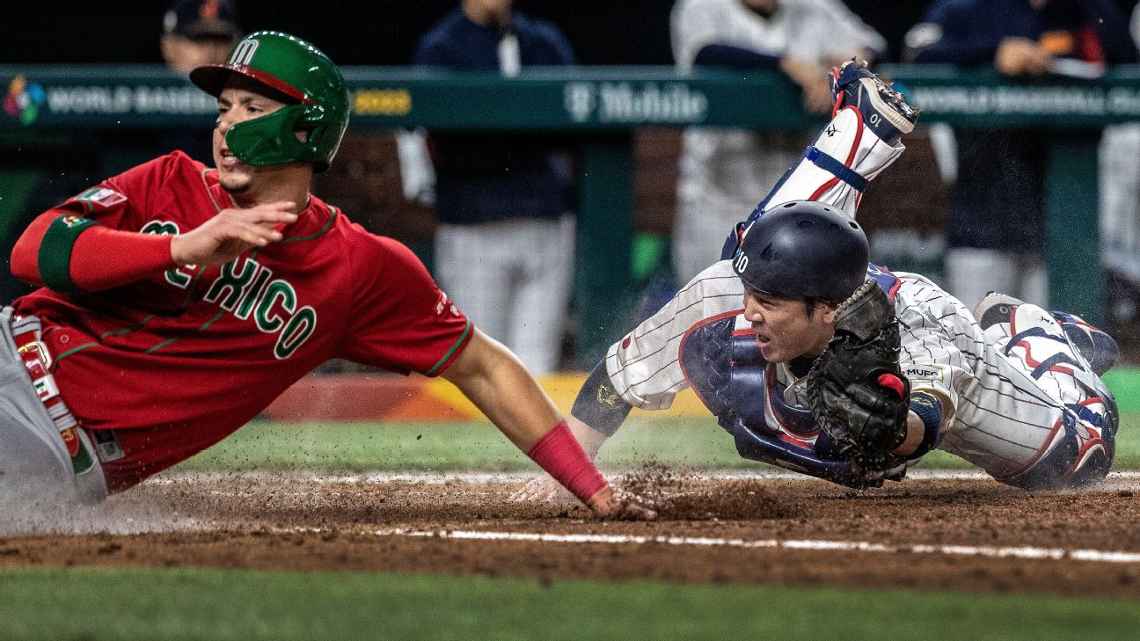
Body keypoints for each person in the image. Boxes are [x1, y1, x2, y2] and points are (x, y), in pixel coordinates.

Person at [1, 31, 651, 522]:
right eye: (225, 106)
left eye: (251, 106)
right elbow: (33, 250)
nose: (225, 123)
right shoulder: (170, 180)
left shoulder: (358, 269)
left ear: (304, 127)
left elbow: (482, 365)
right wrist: (183, 248)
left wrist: (589, 485)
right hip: (12, 365)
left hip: (65, 462)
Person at [522, 61, 1119, 499]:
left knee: (1077, 460)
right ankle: (860, 132)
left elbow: (924, 421)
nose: (750, 312)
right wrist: (569, 482)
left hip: (963, 377)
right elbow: (615, 383)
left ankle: (1036, 336)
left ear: (829, 309)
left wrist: (892, 426)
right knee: (746, 248)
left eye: (772, 303)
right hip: (834, 295)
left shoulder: (923, 328)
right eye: (752, 295)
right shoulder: (726, 294)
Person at [904, 0, 1139, 310]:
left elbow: (1128, 71)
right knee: (978, 345)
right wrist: (994, 52)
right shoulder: (966, 8)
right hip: (981, 220)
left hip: (1067, 224)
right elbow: (915, 54)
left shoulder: (1086, 10)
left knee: (1059, 348)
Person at [397, 0, 576, 375]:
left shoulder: (544, 41)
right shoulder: (441, 48)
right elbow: (422, 138)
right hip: (474, 226)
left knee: (537, 368)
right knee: (480, 368)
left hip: (544, 223)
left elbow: (572, 130)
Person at [669, 0, 886, 284]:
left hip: (796, 193)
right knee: (714, 306)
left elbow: (875, 47)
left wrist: (850, 62)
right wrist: (784, 63)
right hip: (719, 196)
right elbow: (705, 52)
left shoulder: (816, 8)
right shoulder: (701, 7)